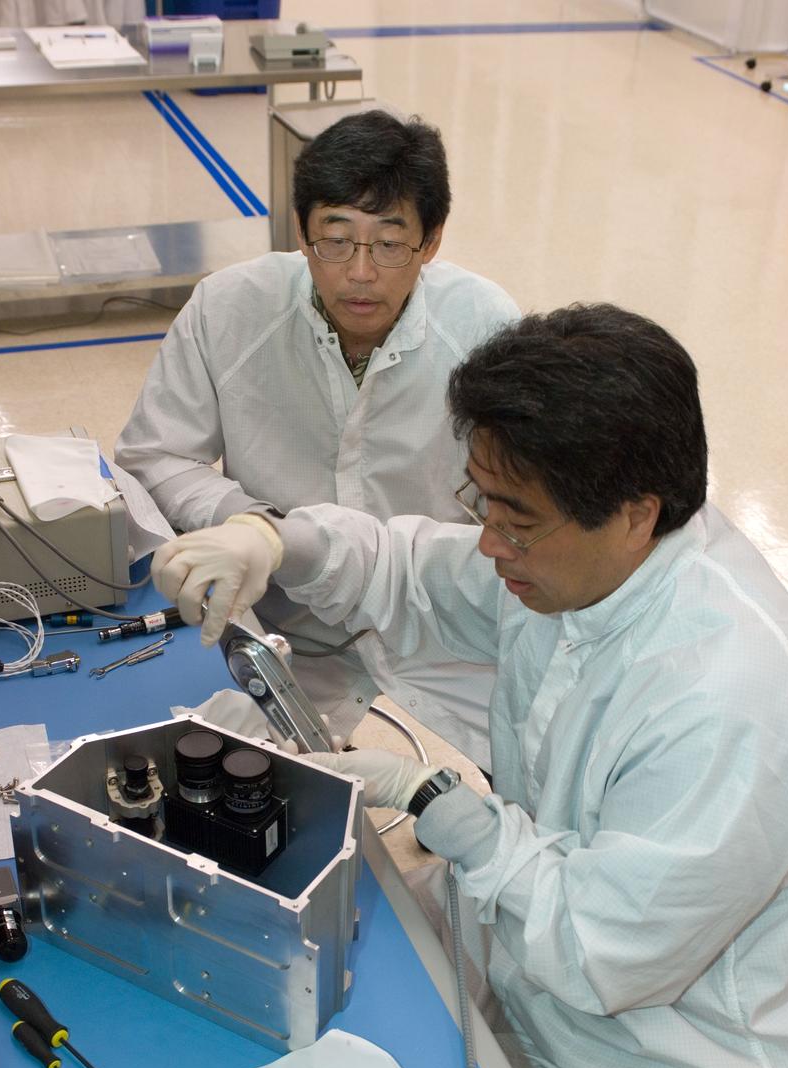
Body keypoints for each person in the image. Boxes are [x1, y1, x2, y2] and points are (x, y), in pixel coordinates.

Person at [151, 303, 788, 1068]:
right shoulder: (587, 567)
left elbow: (598, 955)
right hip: (526, 963)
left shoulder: (727, 701)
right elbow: (415, 569)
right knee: (275, 1028)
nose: (491, 542)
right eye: (482, 502)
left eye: (516, 519)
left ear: (635, 513)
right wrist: (274, 540)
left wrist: (441, 803)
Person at [115, 108, 519, 769]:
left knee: (536, 762)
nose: (361, 273)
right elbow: (155, 455)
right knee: (223, 775)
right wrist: (253, 528)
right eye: (336, 240)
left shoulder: (484, 328)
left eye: (390, 245)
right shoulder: (229, 309)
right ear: (301, 234)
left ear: (433, 240)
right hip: (281, 612)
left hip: (432, 616)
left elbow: (524, 495)